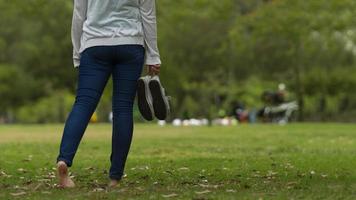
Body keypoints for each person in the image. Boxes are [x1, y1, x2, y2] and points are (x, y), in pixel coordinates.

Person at [56, 0, 161, 188]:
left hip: (94, 45)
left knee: (83, 104)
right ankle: (115, 177)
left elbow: (79, 15)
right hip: (130, 45)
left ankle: (64, 160)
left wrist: (77, 53)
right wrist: (153, 55)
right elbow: (148, 15)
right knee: (122, 109)